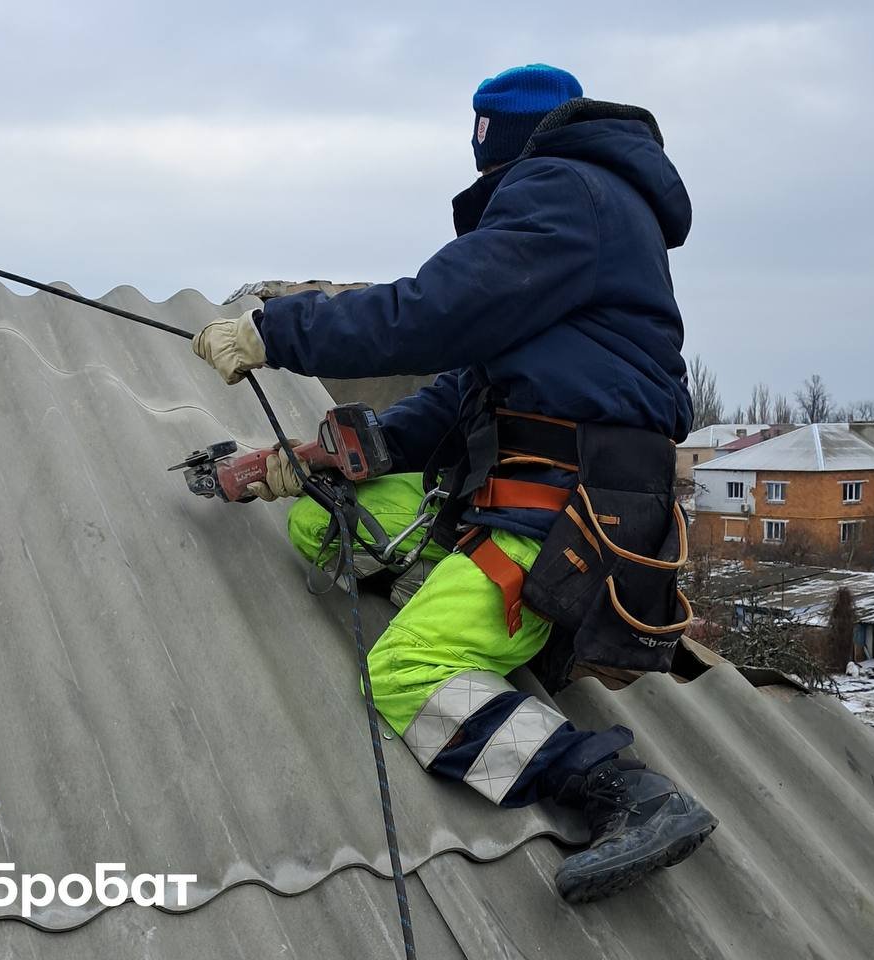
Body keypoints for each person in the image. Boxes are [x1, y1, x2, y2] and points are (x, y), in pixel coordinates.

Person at [193, 64, 716, 903]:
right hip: (520, 495)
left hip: (571, 524)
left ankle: (616, 791)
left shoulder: (566, 192)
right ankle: (455, 596)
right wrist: (312, 463)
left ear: (505, 149)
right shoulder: (587, 215)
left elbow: (434, 311)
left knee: (403, 670)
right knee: (328, 523)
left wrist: (275, 331)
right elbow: (459, 392)